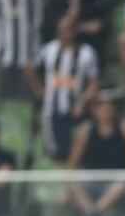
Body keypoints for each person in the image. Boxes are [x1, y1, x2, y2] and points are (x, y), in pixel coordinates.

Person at [28, 15, 99, 162]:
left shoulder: (86, 52)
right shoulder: (49, 49)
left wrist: (83, 101)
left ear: (75, 31)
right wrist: (39, 90)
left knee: (78, 149)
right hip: (51, 109)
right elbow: (29, 67)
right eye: (62, 30)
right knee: (54, 151)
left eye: (68, 30)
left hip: (76, 109)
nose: (65, 33)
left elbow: (93, 83)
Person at [67, 92, 125, 216]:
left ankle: (97, 210)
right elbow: (72, 164)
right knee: (74, 179)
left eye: (109, 105)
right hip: (91, 179)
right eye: (100, 105)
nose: (105, 109)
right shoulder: (85, 130)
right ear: (93, 109)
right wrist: (67, 190)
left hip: (116, 180)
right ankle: (90, 211)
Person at [0, 0, 44, 98]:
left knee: (26, 106)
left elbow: (38, 23)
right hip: (3, 61)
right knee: (3, 104)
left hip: (29, 62)